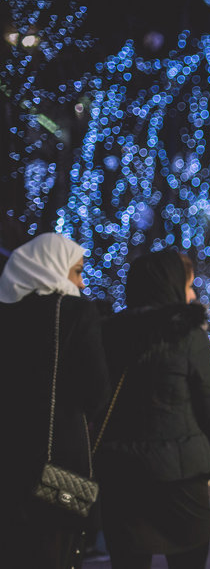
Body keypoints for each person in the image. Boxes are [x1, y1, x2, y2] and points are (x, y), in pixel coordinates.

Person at [96, 250, 210, 569]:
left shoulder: (106, 333)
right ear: (171, 286)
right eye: (189, 285)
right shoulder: (190, 336)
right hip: (181, 479)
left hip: (121, 474)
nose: (193, 294)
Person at [0, 233, 110, 569]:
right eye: (76, 271)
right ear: (54, 267)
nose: (80, 281)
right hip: (58, 465)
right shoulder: (74, 311)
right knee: (59, 550)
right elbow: (97, 392)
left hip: (9, 466)